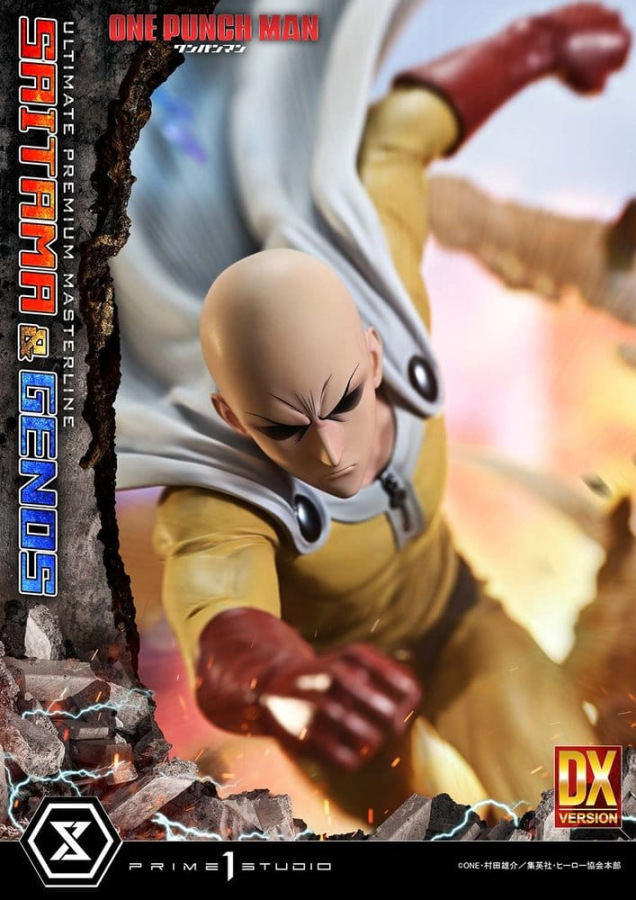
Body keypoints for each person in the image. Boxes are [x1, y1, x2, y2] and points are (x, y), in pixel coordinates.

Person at [149, 4, 631, 822]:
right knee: (398, 825)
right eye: (285, 429)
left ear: (372, 354)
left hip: (457, 621)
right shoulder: (215, 489)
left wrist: (534, 44)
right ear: (232, 416)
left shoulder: (387, 288)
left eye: (343, 400)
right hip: (334, 700)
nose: (333, 452)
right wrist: (283, 682)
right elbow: (220, 615)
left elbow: (400, 136)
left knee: (592, 811)